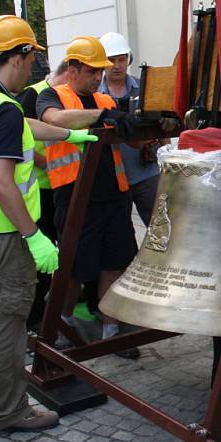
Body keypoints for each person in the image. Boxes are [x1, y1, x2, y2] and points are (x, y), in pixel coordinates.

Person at [0, 15, 98, 434]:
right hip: (5, 232)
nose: (32, 67)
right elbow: (2, 182)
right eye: (30, 57)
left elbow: (19, 126)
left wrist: (66, 136)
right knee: (9, 322)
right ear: (18, 56)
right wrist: (34, 237)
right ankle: (9, 411)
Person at [36, 35, 140, 359]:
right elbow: (53, 120)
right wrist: (101, 116)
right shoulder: (53, 96)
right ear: (73, 69)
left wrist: (145, 127)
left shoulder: (107, 101)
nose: (99, 76)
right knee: (72, 271)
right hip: (75, 197)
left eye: (101, 70)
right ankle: (58, 327)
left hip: (115, 196)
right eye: (92, 70)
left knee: (115, 265)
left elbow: (133, 142)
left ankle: (111, 332)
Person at [17, 61, 69, 331]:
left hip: (62, 187)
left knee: (65, 252)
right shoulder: (32, 95)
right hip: (41, 190)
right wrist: (45, 162)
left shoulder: (63, 96)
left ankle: (55, 310)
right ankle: (35, 317)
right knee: (42, 259)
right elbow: (21, 137)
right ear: (64, 73)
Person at [98, 32, 160, 225]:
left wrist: (165, 160)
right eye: (111, 60)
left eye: (121, 59)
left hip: (146, 173)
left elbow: (161, 126)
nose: (117, 65)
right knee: (121, 235)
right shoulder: (95, 94)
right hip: (114, 179)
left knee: (159, 229)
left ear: (128, 59)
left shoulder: (144, 87)